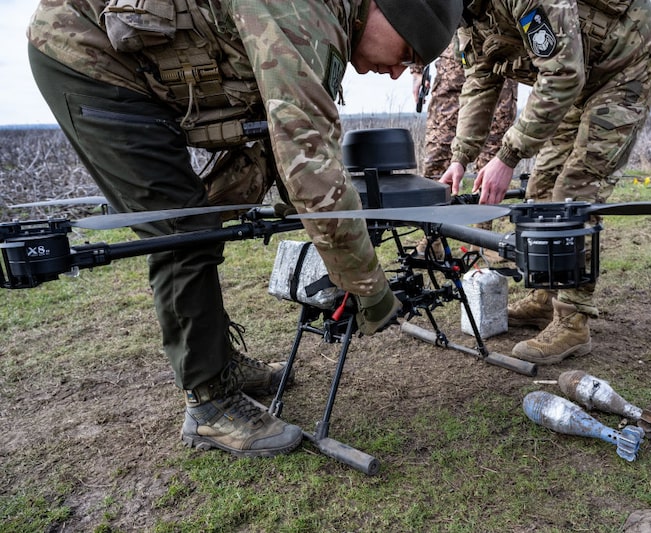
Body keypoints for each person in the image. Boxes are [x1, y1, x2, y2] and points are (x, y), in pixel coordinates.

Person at [27, 0, 462, 458]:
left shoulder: (327, 20)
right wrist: (371, 290)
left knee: (199, 224)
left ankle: (219, 365)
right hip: (86, 55)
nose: (399, 73)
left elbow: (283, 147)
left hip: (137, 65)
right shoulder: (303, 13)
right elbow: (309, 165)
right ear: (384, 9)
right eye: (410, 53)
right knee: (182, 230)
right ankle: (209, 405)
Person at [440, 0, 651, 365]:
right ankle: (545, 298)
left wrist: (508, 155)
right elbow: (480, 80)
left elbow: (562, 73)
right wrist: (460, 156)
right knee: (541, 188)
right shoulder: (467, 15)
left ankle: (573, 321)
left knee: (575, 189)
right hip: (582, 75)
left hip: (627, 62)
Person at [410, 40, 517, 260]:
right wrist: (417, 69)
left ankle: (481, 240)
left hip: (499, 63)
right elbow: (428, 9)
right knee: (436, 154)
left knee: (492, 155)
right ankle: (432, 238)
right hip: (453, 64)